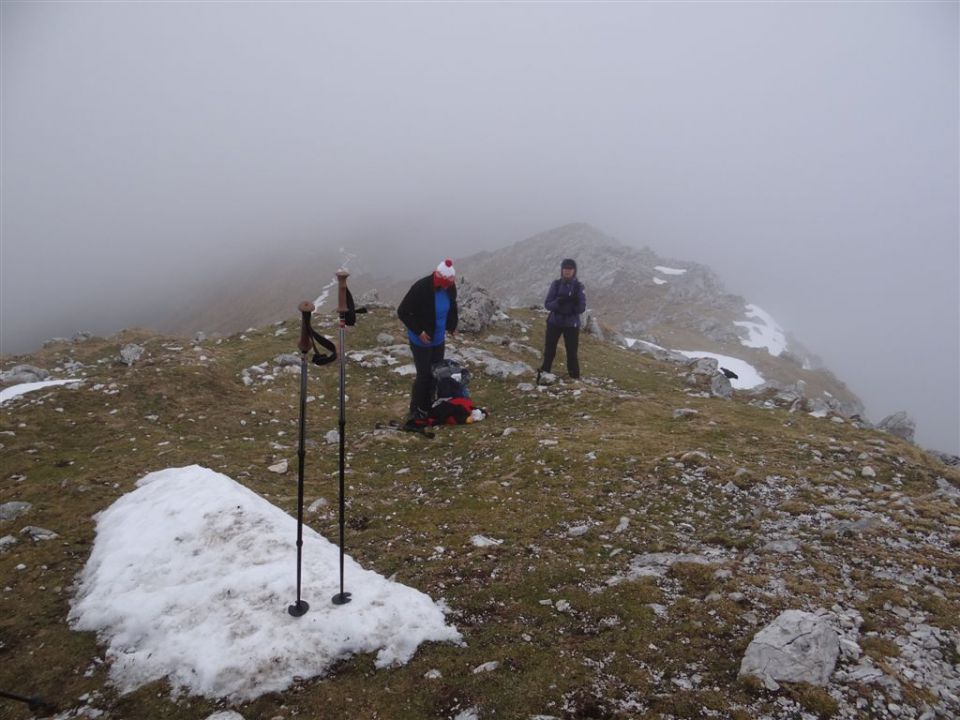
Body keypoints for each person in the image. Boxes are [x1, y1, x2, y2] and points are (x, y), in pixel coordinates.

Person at [397, 258, 459, 426]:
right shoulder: (421, 288)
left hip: (438, 339)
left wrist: (452, 326)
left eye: (450, 283)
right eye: (446, 283)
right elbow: (403, 311)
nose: (448, 286)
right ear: (440, 279)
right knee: (424, 375)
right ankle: (416, 409)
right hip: (421, 340)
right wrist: (419, 332)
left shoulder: (449, 287)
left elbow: (452, 306)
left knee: (436, 373)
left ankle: (429, 405)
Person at [539, 258, 586, 381]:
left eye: (570, 269)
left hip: (571, 324)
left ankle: (574, 377)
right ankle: (544, 372)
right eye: (565, 269)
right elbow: (548, 304)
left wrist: (572, 306)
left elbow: (582, 307)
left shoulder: (578, 287)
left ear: (574, 271)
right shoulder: (556, 284)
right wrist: (558, 302)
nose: (567, 271)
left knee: (572, 352)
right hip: (554, 322)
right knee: (549, 349)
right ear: (562, 270)